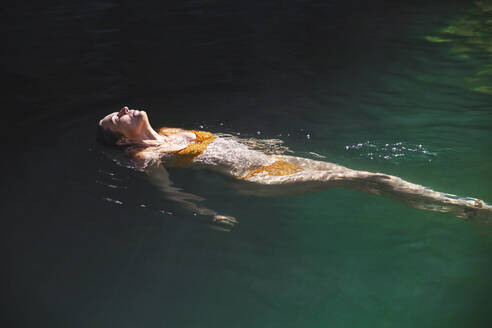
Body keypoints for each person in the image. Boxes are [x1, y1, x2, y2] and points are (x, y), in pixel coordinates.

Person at [98, 106, 492, 225]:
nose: (124, 110)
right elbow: (167, 190)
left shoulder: (173, 130)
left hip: (275, 161)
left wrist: (269, 146)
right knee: (374, 177)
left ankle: (454, 211)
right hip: (255, 177)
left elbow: (233, 143)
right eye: (116, 118)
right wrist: (208, 213)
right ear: (122, 140)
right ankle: (465, 207)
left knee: (363, 182)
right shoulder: (146, 156)